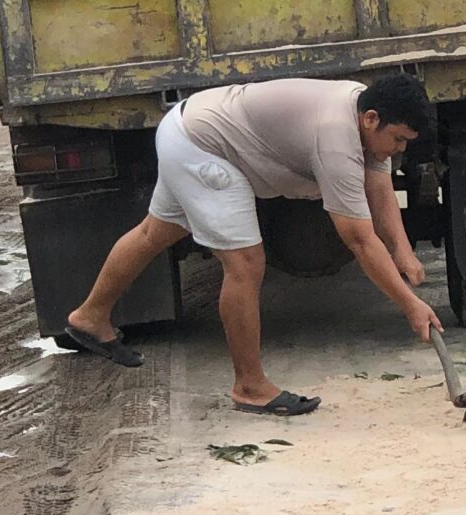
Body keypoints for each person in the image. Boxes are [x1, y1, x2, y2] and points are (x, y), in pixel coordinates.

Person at [60, 73, 441, 415]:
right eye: (398, 139)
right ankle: (250, 387)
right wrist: (410, 305)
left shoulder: (366, 115)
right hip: (203, 145)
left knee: (154, 233)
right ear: (371, 119)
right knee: (244, 263)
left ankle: (90, 317)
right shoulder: (336, 139)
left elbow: (378, 186)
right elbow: (360, 240)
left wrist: (403, 251)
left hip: (189, 126)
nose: (400, 149)